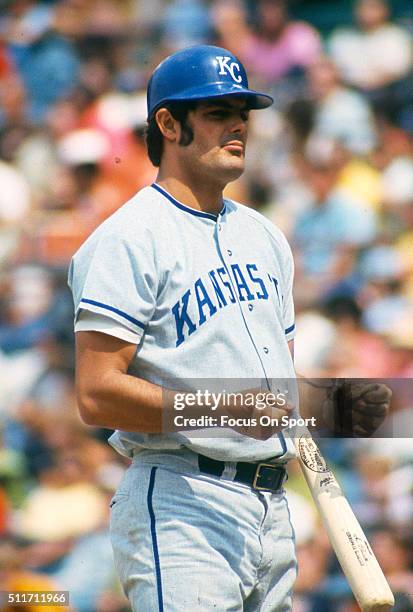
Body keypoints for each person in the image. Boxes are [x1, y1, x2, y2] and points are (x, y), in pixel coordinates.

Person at [69, 45, 391, 611]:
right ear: (168, 124)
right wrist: (221, 408)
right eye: (216, 111)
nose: (238, 123)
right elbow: (96, 394)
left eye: (242, 110)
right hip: (182, 503)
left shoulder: (265, 237)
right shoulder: (129, 238)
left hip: (270, 507)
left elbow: (275, 394)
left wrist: (329, 404)